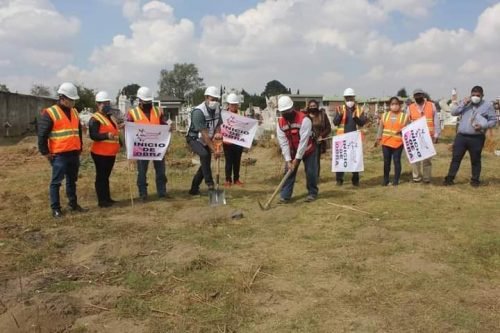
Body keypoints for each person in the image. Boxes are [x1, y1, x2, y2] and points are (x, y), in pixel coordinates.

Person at [37, 82, 87, 218]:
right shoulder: (50, 113)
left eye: (74, 100)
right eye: (71, 99)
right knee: (56, 182)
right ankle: (56, 208)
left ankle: (73, 204)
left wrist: (80, 146)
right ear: (62, 98)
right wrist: (45, 152)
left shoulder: (75, 112)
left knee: (72, 180)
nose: (73, 102)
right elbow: (42, 135)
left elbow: (78, 132)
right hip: (59, 154)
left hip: (73, 153)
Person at [443, 86, 497, 187]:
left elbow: (493, 120)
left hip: (477, 137)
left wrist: (483, 125)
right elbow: (453, 112)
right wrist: (464, 103)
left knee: (475, 160)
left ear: (482, 96)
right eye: (473, 95)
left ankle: (475, 180)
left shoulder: (488, 105)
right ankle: (449, 179)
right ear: (470, 94)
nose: (475, 97)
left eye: (478, 95)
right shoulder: (465, 103)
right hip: (461, 137)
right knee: (456, 158)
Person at [127, 86, 168, 201]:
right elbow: (129, 130)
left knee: (161, 171)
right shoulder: (132, 113)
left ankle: (162, 192)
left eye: (149, 101)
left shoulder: (157, 111)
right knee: (141, 172)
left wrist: (168, 128)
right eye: (146, 101)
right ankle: (143, 193)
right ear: (139, 101)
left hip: (157, 147)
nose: (148, 103)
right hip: (141, 148)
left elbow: (163, 124)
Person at [277, 95, 318, 203]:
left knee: (311, 172)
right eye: (283, 112)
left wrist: (297, 159)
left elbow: (303, 142)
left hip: (308, 150)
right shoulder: (280, 123)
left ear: (292, 108)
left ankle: (312, 193)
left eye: (287, 111)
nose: (285, 114)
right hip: (292, 151)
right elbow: (283, 143)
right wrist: (288, 160)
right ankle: (285, 196)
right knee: (289, 171)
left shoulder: (304, 119)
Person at [186, 86, 223, 195]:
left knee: (205, 163)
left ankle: (194, 188)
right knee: (205, 155)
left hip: (209, 138)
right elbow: (204, 135)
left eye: (217, 99)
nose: (215, 102)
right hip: (194, 139)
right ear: (206, 97)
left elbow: (218, 125)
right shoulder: (198, 112)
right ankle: (210, 184)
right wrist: (214, 150)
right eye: (212, 99)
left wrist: (217, 136)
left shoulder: (217, 109)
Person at [89, 91, 120, 207]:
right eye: (104, 103)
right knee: (101, 177)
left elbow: (114, 130)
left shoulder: (109, 117)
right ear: (98, 104)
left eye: (108, 103)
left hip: (110, 153)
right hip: (100, 153)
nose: (106, 105)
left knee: (106, 177)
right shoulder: (95, 118)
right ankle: (102, 201)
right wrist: (106, 136)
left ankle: (107, 198)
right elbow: (93, 135)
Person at [333, 88, 367, 186]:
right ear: (344, 98)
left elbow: (362, 123)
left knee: (354, 159)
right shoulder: (340, 109)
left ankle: (355, 180)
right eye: (347, 98)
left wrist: (355, 118)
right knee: (340, 159)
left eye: (351, 98)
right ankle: (339, 180)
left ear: (354, 98)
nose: (349, 100)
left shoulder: (359, 109)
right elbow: (335, 123)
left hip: (354, 139)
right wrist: (339, 116)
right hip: (342, 138)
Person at [408, 89, 440, 183]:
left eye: (419, 95)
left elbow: (436, 120)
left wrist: (436, 134)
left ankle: (426, 178)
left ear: (423, 95)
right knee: (415, 158)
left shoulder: (431, 105)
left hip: (428, 137)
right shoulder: (410, 107)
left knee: (427, 159)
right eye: (416, 95)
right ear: (413, 97)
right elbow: (407, 122)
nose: (418, 97)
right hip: (415, 137)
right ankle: (416, 177)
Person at [375, 97, 409, 186]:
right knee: (386, 162)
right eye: (392, 104)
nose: (395, 106)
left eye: (396, 104)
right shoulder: (385, 115)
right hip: (386, 142)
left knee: (396, 161)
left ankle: (396, 180)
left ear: (399, 105)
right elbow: (380, 128)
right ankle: (385, 180)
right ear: (390, 105)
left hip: (398, 143)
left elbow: (408, 129)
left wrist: (402, 131)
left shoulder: (404, 116)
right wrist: (378, 138)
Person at [223, 93, 244, 187]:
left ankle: (236, 179)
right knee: (229, 161)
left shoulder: (242, 114)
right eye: (232, 105)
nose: (234, 106)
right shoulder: (224, 115)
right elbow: (221, 128)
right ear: (228, 105)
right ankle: (228, 179)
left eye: (235, 104)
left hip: (238, 142)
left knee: (237, 161)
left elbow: (246, 128)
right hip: (227, 143)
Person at [306, 100, 331, 178]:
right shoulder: (305, 116)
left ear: (317, 106)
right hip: (307, 141)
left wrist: (321, 136)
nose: (312, 107)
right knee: (308, 160)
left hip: (318, 142)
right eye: (311, 106)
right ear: (308, 107)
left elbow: (328, 128)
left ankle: (316, 178)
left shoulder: (322, 115)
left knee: (316, 160)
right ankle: (309, 176)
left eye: (314, 106)